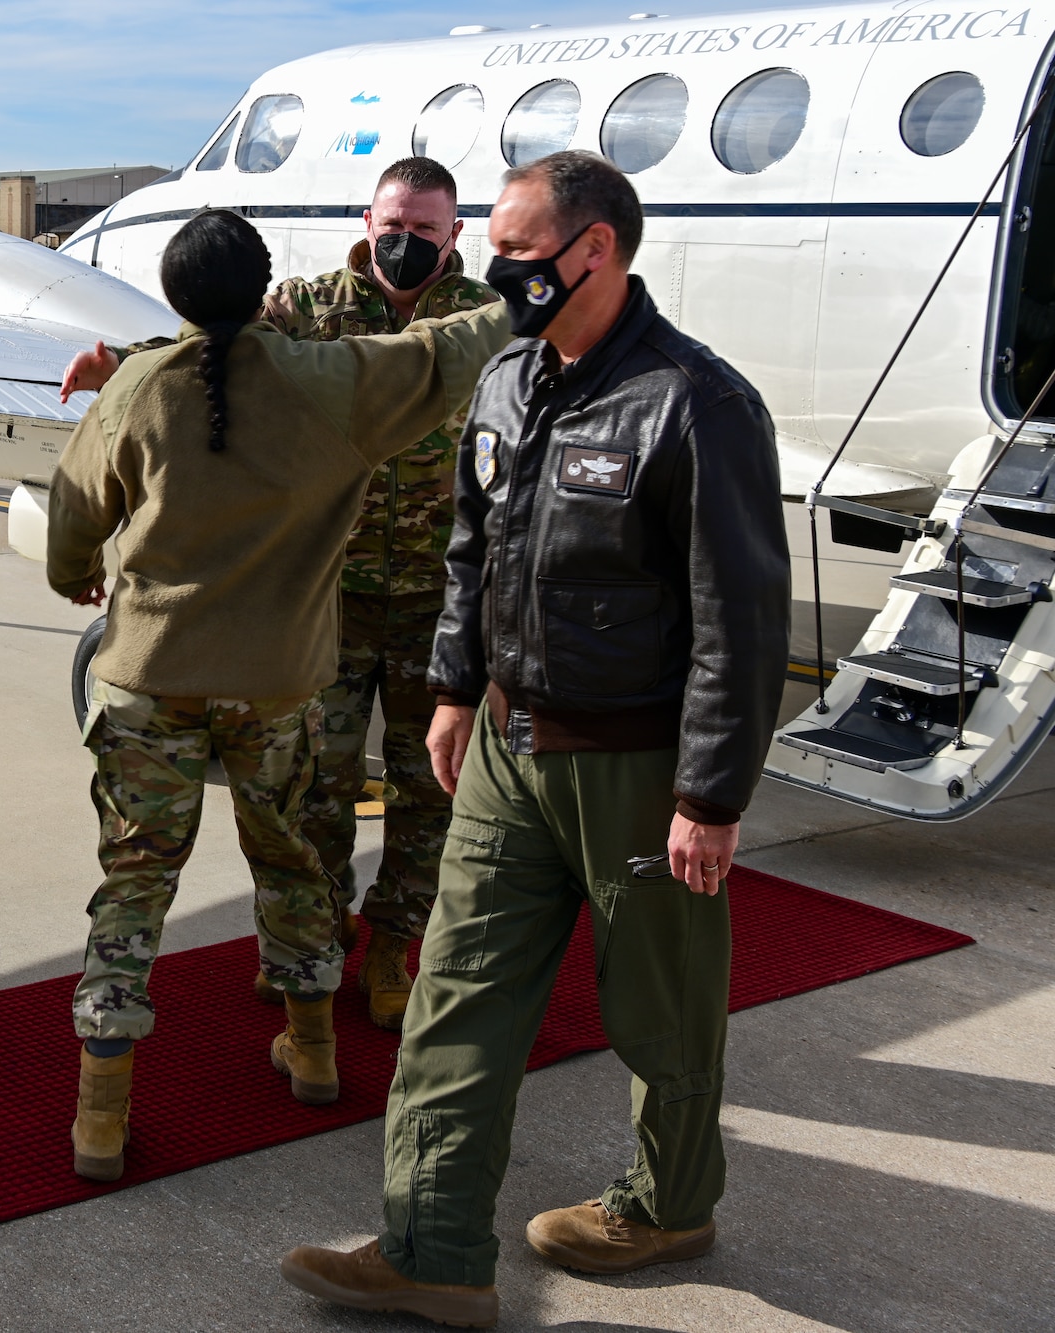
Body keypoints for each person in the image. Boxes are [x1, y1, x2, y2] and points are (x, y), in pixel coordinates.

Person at [279, 152, 789, 1327]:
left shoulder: (692, 403)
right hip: (508, 752)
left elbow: (740, 620)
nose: (491, 269)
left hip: (633, 764)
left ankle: (667, 1202)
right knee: (456, 993)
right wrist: (453, 686)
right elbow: (472, 549)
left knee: (661, 1011)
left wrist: (708, 798)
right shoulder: (507, 380)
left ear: (592, 249)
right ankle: (431, 1248)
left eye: (512, 249)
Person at [45, 209, 511, 1184]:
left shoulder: (133, 389)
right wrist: (527, 287)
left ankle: (100, 1109)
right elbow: (448, 345)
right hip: (279, 691)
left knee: (132, 885)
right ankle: (311, 1051)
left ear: (173, 297)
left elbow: (69, 529)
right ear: (266, 296)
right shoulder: (335, 384)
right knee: (295, 865)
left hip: (146, 684)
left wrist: (83, 572)